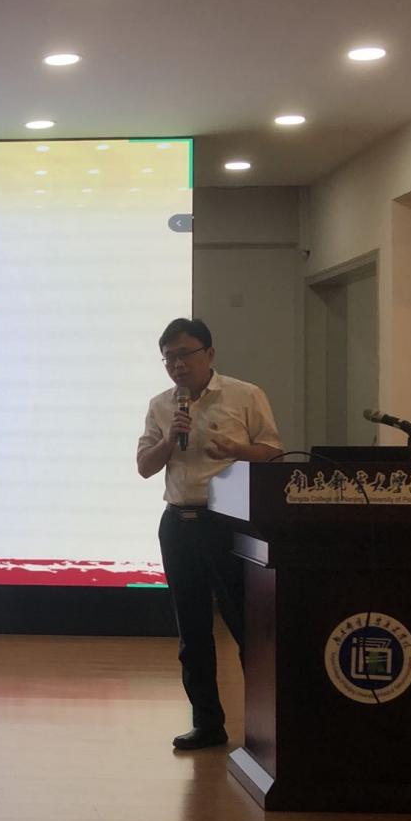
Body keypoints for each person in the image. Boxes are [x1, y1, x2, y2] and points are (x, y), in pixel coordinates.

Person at [136, 318, 282, 750]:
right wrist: (170, 440)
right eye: (169, 358)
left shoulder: (245, 395)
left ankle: (266, 728)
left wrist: (237, 450)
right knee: (193, 631)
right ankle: (207, 724)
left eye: (185, 354)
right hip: (178, 524)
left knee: (246, 626)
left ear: (209, 354)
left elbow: (273, 452)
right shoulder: (162, 406)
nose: (177, 365)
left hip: (228, 524)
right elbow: (144, 466)